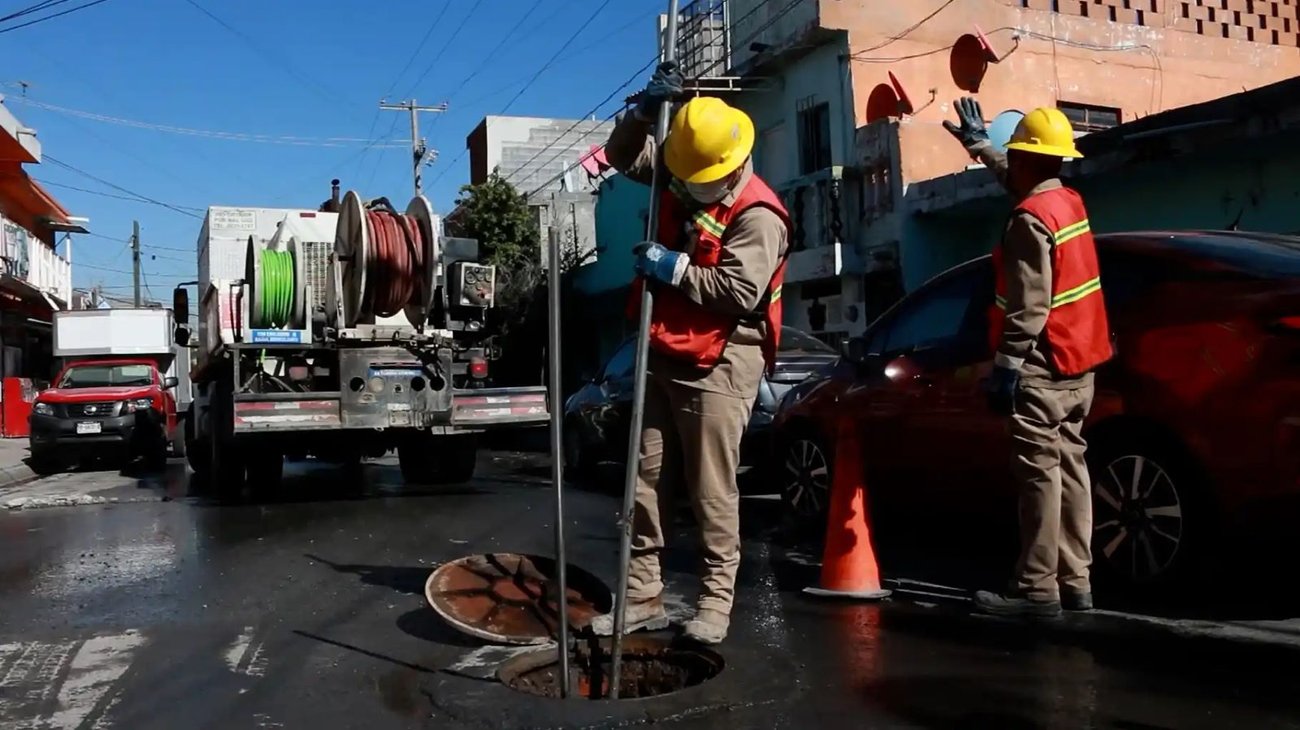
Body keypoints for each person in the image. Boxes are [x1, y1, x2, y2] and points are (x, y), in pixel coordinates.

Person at [589, 61, 791, 645]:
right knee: (643, 483)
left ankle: (714, 603)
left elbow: (737, 292)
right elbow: (623, 156)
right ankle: (641, 597)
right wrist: (642, 115)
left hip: (724, 359)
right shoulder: (680, 172)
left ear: (727, 169)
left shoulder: (757, 214)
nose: (681, 183)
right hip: (664, 350)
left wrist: (672, 266)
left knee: (710, 490)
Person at [944, 97, 1114, 618]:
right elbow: (1024, 182)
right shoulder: (1067, 202)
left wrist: (1007, 367)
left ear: (1024, 159)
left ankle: (1038, 589)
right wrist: (982, 148)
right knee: (1070, 469)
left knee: (1039, 477)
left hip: (1040, 365)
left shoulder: (1026, 221)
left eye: (1012, 154)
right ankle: (1076, 581)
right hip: (1080, 363)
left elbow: (1028, 304)